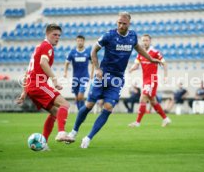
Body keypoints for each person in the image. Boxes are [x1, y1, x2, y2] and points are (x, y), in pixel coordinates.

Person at [66, 12, 162, 148]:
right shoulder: (109, 35)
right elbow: (93, 51)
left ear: (129, 24)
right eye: (119, 23)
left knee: (108, 108)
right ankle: (74, 132)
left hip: (117, 79)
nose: (121, 25)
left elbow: (138, 47)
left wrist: (150, 59)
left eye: (124, 23)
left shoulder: (133, 36)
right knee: (89, 105)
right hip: (103, 75)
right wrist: (98, 68)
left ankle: (88, 138)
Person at [16, 23, 74, 150]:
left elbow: (28, 71)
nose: (57, 37)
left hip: (32, 87)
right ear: (47, 34)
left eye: (59, 35)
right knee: (65, 104)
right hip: (38, 85)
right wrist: (55, 80)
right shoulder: (47, 46)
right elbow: (43, 62)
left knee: (55, 112)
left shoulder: (38, 47)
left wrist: (24, 92)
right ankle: (61, 133)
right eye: (54, 34)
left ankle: (43, 144)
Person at [128, 34, 171, 128]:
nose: (144, 42)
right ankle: (165, 119)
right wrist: (131, 69)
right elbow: (136, 64)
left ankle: (137, 122)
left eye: (146, 40)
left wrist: (166, 76)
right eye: (143, 40)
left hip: (152, 80)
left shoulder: (155, 52)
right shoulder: (141, 53)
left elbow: (164, 63)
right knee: (153, 101)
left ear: (150, 41)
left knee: (142, 98)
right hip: (145, 80)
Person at [64, 35, 94, 111]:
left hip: (85, 77)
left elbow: (93, 62)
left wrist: (92, 73)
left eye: (81, 41)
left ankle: (82, 111)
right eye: (78, 41)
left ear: (84, 41)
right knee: (77, 97)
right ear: (76, 41)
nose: (80, 42)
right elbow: (67, 63)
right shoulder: (72, 52)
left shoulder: (88, 52)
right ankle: (81, 112)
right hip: (75, 78)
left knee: (80, 96)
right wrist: (65, 72)